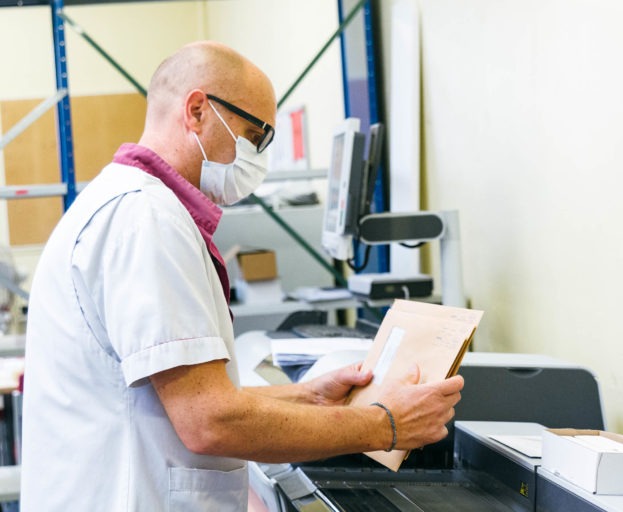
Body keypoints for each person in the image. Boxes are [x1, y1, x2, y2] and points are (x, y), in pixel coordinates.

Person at [19, 41, 463, 511]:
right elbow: (208, 421)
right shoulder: (145, 218)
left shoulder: (132, 203)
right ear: (196, 111)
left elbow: (188, 394)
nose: (258, 159)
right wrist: (385, 424)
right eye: (254, 136)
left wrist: (305, 397)